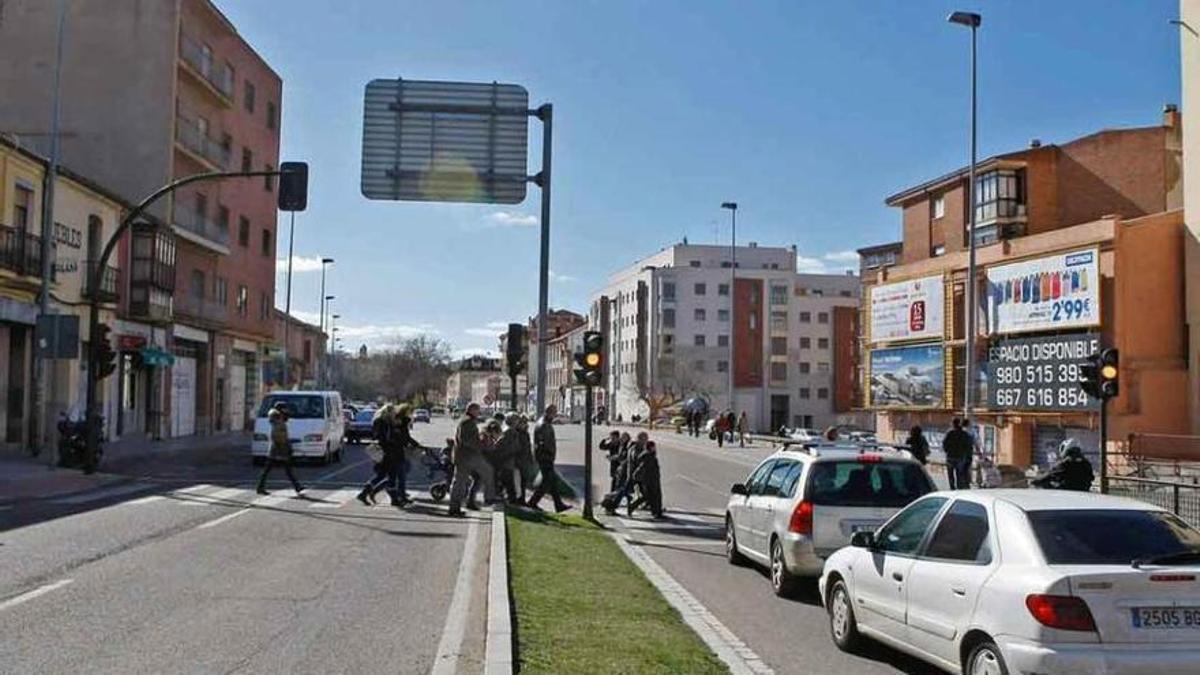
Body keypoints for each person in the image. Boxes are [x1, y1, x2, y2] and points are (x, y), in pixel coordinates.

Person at [359, 404, 416, 507]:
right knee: (387, 476)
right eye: (392, 412)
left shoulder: (386, 422)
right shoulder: (382, 422)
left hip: (390, 452)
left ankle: (367, 494)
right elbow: (384, 438)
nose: (393, 414)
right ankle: (366, 494)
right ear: (387, 412)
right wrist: (392, 443)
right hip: (387, 453)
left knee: (387, 476)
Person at [448, 402, 496, 517]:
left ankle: (468, 502)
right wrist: (481, 444)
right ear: (472, 410)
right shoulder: (467, 422)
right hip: (466, 457)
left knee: (481, 474)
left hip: (468, 456)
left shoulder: (468, 421)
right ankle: (455, 508)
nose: (479, 412)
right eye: (477, 410)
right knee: (461, 482)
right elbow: (466, 440)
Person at [527, 405, 571, 512]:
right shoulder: (544, 425)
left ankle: (558, 504)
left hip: (545, 456)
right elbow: (545, 443)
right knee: (547, 481)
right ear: (549, 412)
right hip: (545, 457)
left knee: (551, 481)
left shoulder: (544, 423)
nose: (555, 415)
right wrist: (550, 453)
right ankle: (533, 502)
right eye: (554, 413)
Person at [256, 403, 304, 496]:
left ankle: (297, 486)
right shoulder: (278, 421)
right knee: (271, 469)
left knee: (284, 469)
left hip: (279, 448)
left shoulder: (279, 420)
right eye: (285, 410)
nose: (287, 413)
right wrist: (284, 446)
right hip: (278, 448)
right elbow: (277, 436)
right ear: (280, 411)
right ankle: (260, 487)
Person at [627, 439, 663, 518]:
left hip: (653, 479)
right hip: (649, 480)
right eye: (653, 447)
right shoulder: (648, 456)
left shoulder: (650, 455)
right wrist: (635, 475)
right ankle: (632, 507)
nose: (655, 448)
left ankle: (656, 512)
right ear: (650, 447)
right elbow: (642, 467)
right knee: (650, 496)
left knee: (652, 497)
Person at [943, 418, 974, 490]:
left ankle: (952, 488)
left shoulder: (949, 433)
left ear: (953, 424)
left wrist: (947, 451)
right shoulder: (964, 434)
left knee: (950, 475)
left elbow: (944, 444)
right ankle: (959, 488)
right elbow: (968, 445)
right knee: (959, 474)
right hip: (960, 457)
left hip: (950, 457)